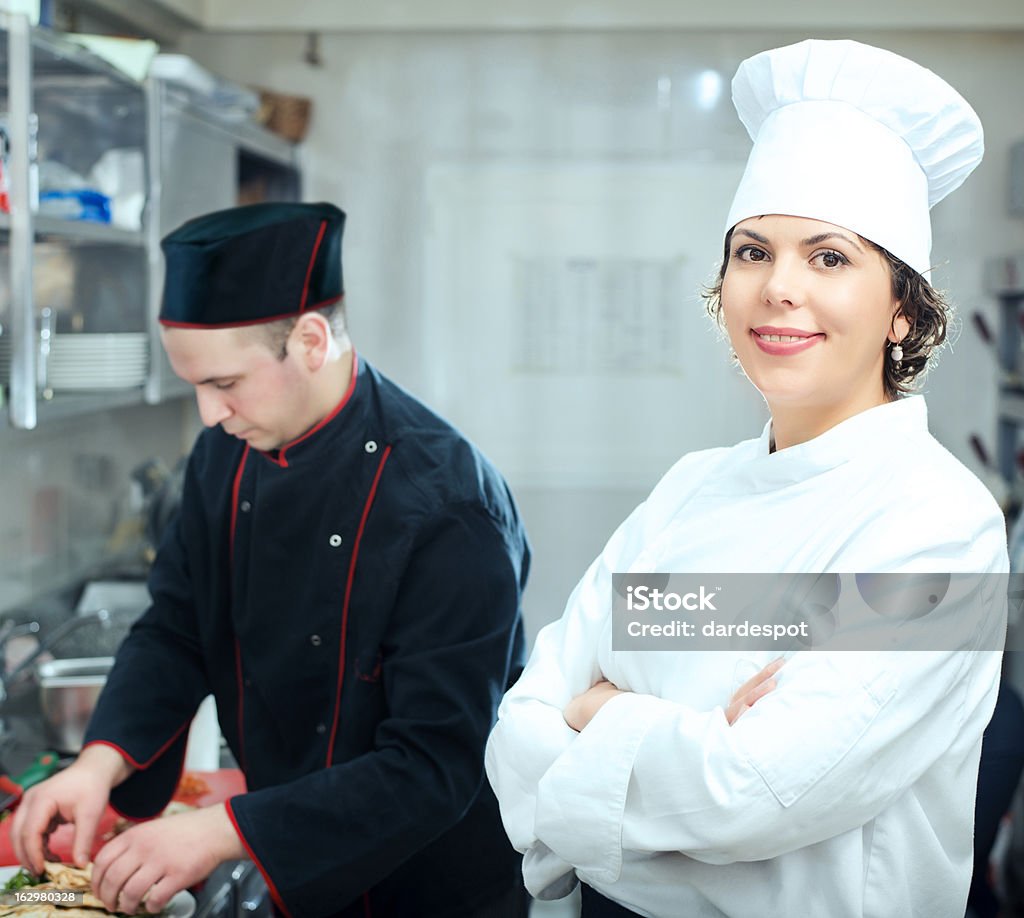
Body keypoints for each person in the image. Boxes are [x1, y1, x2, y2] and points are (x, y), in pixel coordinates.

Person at [484, 39, 1008, 918]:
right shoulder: (692, 488)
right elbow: (518, 729)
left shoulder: (940, 525)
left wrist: (601, 715)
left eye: (831, 258)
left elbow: (754, 797)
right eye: (753, 252)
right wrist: (676, 738)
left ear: (902, 313)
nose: (778, 289)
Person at [10, 202, 532, 918]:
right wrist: (98, 762)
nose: (208, 415)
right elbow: (179, 625)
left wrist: (221, 831)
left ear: (311, 341)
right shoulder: (224, 454)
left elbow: (435, 765)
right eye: (193, 386)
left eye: (224, 384)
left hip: (431, 884)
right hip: (286, 854)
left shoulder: (449, 506)